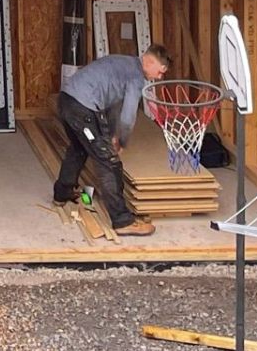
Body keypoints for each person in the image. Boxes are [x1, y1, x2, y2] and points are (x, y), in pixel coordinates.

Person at [51, 44, 171, 236]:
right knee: (108, 161)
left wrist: (113, 135)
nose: (159, 77)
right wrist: (122, 141)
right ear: (148, 61)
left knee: (79, 149)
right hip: (82, 108)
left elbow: (114, 107)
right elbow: (128, 116)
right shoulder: (135, 76)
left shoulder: (121, 63)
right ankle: (122, 220)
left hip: (67, 101)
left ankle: (62, 194)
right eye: (160, 71)